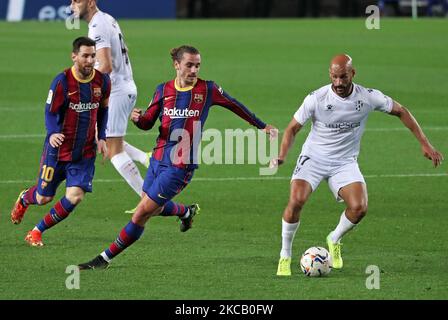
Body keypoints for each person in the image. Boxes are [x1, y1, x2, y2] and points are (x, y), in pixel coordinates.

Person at [77, 45, 277, 269]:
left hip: (181, 166)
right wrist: (138, 118)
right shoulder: (163, 90)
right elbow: (148, 123)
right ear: (177, 65)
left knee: (142, 212)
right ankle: (185, 211)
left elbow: (235, 105)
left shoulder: (207, 89)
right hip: (157, 160)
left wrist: (262, 126)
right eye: (189, 65)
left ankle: (103, 259)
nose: (194, 70)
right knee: (152, 207)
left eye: (198, 65)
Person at [274, 54, 444, 276]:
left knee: (359, 208)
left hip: (344, 162)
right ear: (330, 75)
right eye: (334, 77)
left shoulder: (368, 97)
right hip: (313, 158)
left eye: (343, 77)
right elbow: (292, 128)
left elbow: (401, 111)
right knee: (296, 200)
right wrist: (282, 155)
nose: (339, 83)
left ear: (352, 73)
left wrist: (425, 144)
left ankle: (334, 238)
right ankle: (285, 255)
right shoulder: (316, 98)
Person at [10, 37, 111, 246]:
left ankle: (36, 231)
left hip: (84, 152)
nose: (90, 60)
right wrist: (53, 131)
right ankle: (24, 198)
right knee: (42, 198)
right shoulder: (62, 81)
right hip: (57, 151)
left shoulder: (103, 81)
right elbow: (50, 111)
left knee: (75, 196)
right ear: (74, 56)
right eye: (85, 56)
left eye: (93, 55)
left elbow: (103, 110)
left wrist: (102, 137)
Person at [70, 0, 150, 210]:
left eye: (77, 0)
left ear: (90, 2)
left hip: (117, 91)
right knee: (104, 138)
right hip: (123, 88)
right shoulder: (107, 19)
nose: (72, 5)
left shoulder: (97, 25)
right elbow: (123, 49)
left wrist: (81, 82)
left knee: (112, 151)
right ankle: (145, 158)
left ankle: (148, 200)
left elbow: (105, 65)